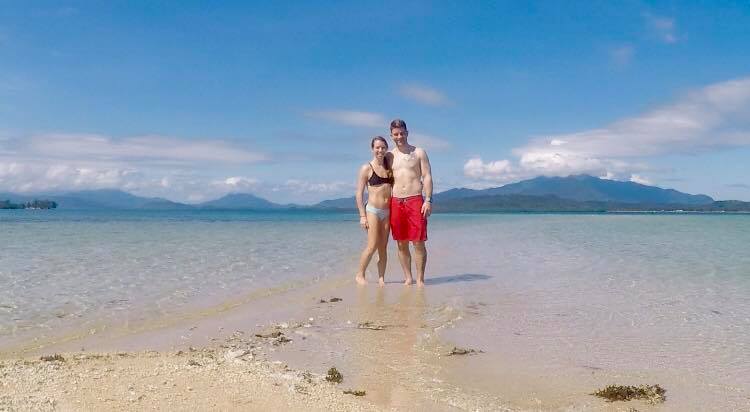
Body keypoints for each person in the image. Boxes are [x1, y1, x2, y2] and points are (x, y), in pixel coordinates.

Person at [388, 119, 432, 286]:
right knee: (401, 243)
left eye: (402, 133)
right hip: (396, 201)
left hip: (415, 200)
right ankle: (408, 277)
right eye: (396, 134)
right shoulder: (389, 156)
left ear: (407, 133)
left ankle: (420, 279)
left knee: (418, 242)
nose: (399, 137)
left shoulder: (419, 152)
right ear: (391, 136)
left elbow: (427, 176)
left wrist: (428, 199)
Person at [355, 136, 394, 286]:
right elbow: (359, 193)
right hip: (372, 211)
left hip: (387, 212)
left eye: (383, 147)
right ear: (372, 149)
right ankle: (360, 275)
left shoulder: (389, 167)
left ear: (386, 149)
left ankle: (381, 278)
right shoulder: (366, 168)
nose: (380, 150)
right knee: (372, 246)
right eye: (377, 147)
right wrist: (362, 216)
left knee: (383, 248)